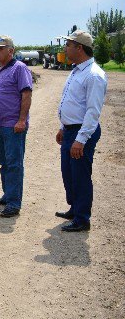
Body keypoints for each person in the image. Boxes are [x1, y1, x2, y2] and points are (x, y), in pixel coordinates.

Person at [55, 30, 107, 232]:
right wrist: (63, 127)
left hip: (81, 132)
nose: (65, 48)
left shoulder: (94, 75)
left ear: (79, 47)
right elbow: (72, 103)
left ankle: (82, 218)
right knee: (68, 173)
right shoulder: (76, 70)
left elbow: (93, 112)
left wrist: (81, 139)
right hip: (70, 130)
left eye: (68, 45)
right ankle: (75, 208)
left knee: (80, 176)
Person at [0, 35, 33, 218]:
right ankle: (8, 195)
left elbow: (26, 95)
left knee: (14, 164)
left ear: (10, 51)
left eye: (0, 48)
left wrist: (21, 120)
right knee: (3, 161)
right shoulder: (0, 70)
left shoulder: (19, 68)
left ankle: (14, 203)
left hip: (13, 126)